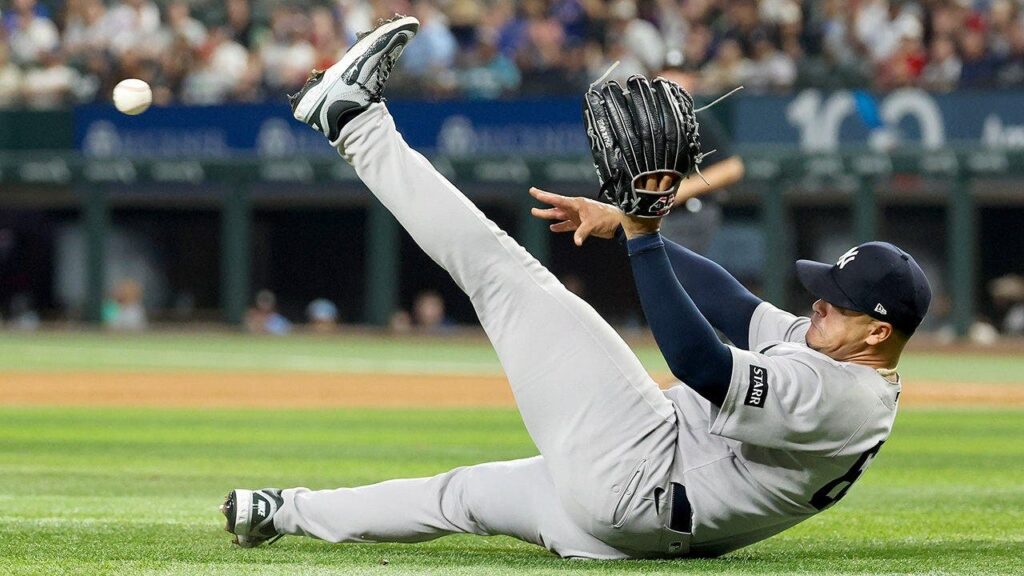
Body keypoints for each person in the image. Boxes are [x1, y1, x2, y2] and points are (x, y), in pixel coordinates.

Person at [221, 15, 932, 559]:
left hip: (640, 470)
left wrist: (648, 235)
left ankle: (355, 123)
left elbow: (699, 364)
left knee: (504, 274)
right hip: (629, 520)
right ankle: (280, 512)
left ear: (877, 331)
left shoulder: (840, 393)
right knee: (459, 495)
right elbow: (730, 305)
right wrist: (629, 221)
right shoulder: (840, 354)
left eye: (835, 301)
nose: (817, 302)